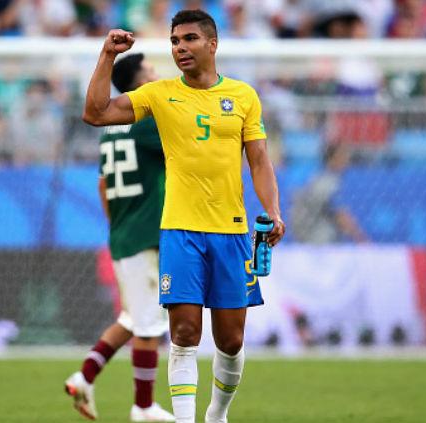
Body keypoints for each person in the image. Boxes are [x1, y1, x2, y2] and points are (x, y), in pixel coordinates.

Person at [82, 10, 286, 423]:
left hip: (231, 234)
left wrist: (273, 212)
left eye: (190, 39)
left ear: (212, 44)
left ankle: (217, 414)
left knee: (230, 340)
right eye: (175, 41)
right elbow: (97, 113)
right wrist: (106, 55)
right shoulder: (159, 95)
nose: (180, 47)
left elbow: (259, 160)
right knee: (184, 334)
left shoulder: (244, 96)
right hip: (179, 233)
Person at [64, 53, 175, 422]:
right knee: (149, 326)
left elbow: (101, 185)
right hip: (146, 234)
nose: (157, 76)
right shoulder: (147, 123)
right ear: (140, 84)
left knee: (132, 317)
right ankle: (143, 406)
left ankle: (84, 376)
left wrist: (118, 224)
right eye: (151, 71)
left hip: (125, 231)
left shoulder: (112, 128)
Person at [289, 143, 367, 244]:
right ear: (333, 158)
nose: (347, 161)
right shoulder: (328, 183)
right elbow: (340, 215)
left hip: (308, 240)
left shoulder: (319, 178)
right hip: (320, 242)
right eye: (343, 156)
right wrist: (361, 239)